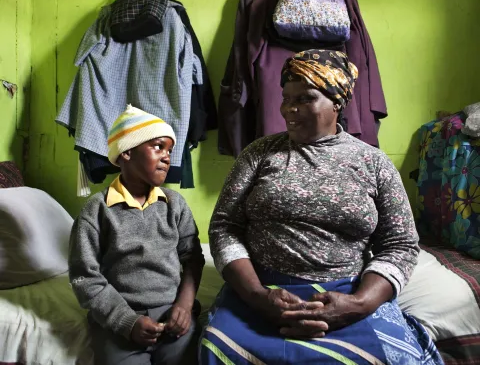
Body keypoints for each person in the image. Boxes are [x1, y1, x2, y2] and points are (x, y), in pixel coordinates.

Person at [201, 50, 444, 364]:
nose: (289, 108)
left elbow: (399, 244)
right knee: (217, 352)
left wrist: (358, 304)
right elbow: (225, 227)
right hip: (262, 290)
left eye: (305, 99)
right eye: (286, 97)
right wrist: (256, 297)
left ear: (337, 103)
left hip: (347, 293)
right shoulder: (259, 154)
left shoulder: (373, 163)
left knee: (397, 358)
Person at [69, 105, 205, 365]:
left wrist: (185, 307)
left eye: (169, 150)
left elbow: (192, 258)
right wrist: (127, 322)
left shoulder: (175, 205)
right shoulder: (97, 210)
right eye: (157, 146)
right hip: (121, 319)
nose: (167, 157)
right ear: (127, 152)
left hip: (173, 315)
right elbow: (85, 277)